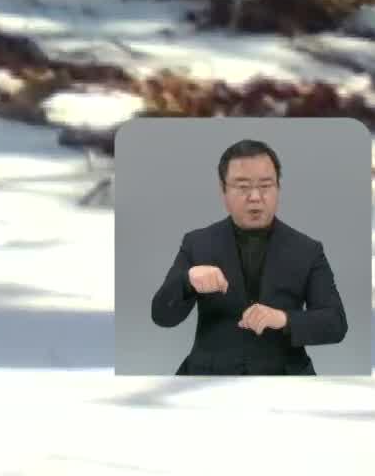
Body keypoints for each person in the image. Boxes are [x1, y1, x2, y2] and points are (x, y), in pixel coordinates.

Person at [149, 139, 348, 374]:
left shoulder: (307, 249)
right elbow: (162, 315)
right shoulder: (198, 243)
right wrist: (187, 281)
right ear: (223, 191)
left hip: (285, 380)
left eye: (265, 186)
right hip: (209, 378)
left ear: (278, 189)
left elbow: (336, 324)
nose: (255, 197)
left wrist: (284, 319)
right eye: (242, 187)